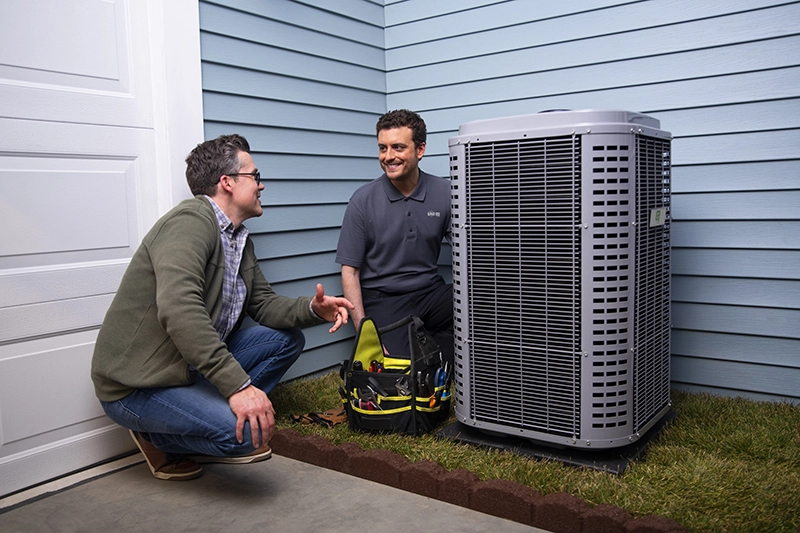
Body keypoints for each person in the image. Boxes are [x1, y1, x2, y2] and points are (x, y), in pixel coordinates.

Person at [91, 134, 353, 481]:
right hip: (137, 385)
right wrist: (239, 389)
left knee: (285, 341)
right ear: (227, 182)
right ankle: (157, 437)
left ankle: (202, 414)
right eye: (254, 176)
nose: (261, 185)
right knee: (245, 437)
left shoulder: (238, 238)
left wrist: (312, 309)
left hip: (184, 369)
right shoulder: (189, 223)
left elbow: (264, 304)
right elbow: (180, 310)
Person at [336, 109, 453, 366]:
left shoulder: (445, 192)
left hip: (431, 293)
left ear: (420, 150)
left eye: (398, 147)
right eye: (382, 148)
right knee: (397, 368)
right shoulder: (362, 201)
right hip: (385, 300)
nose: (388, 157)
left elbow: (468, 249)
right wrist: (366, 337)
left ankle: (441, 353)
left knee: (482, 305)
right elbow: (350, 272)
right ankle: (429, 354)